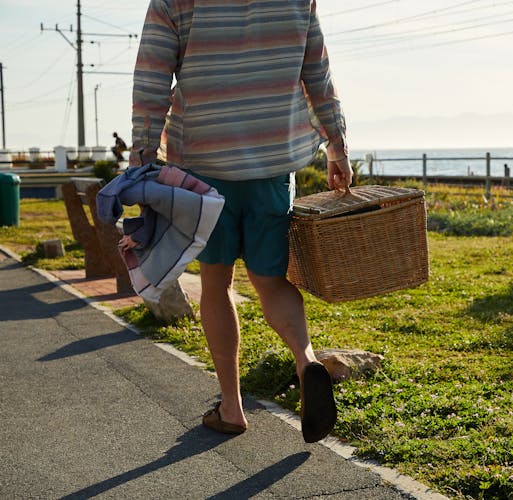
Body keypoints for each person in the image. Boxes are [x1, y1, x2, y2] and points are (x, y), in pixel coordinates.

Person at [130, 0, 352, 443]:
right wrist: (336, 144)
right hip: (273, 163)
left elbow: (152, 80)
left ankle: (232, 407)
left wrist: (142, 154)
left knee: (217, 281)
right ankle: (306, 361)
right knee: (270, 280)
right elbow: (317, 74)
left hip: (202, 163)